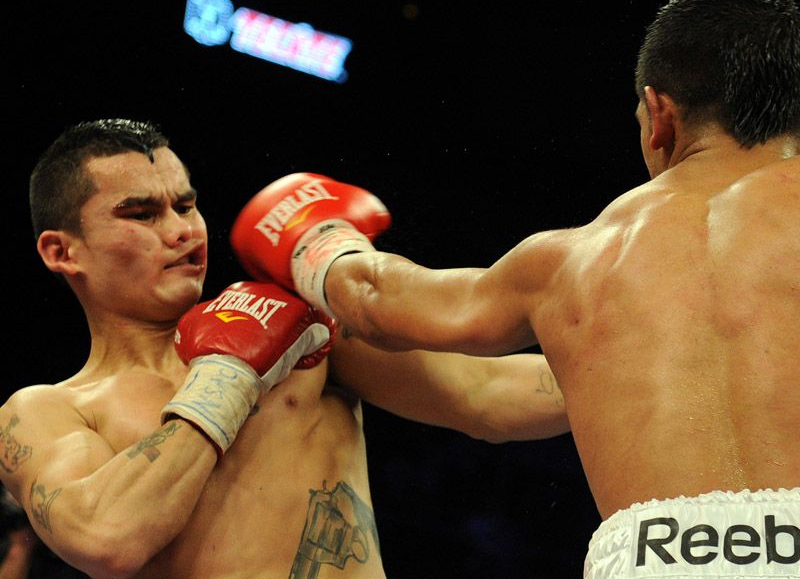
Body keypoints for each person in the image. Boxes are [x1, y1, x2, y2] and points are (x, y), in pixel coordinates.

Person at [228, 0, 800, 577]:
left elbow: (378, 300)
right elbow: (490, 394)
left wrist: (319, 242)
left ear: (659, 116)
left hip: (652, 559)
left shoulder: (577, 259)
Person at [0, 119, 568, 579]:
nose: (181, 231)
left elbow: (486, 394)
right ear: (61, 252)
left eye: (186, 206)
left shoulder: (300, 323)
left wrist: (619, 355)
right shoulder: (46, 412)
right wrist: (227, 375)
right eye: (142, 214)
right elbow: (107, 539)